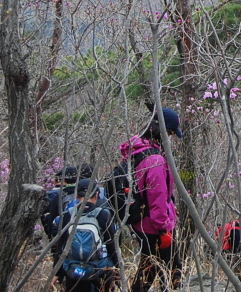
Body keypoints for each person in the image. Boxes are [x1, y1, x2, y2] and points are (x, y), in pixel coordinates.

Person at [118, 107, 183, 292]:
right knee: (171, 269)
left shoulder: (137, 151)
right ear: (161, 132)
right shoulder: (155, 160)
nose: (170, 138)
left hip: (142, 222)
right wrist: (164, 229)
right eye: (170, 133)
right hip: (154, 225)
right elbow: (158, 197)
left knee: (150, 267)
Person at [55, 178, 120, 292]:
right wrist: (118, 268)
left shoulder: (68, 215)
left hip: (73, 271)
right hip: (99, 270)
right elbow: (112, 245)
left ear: (76, 196)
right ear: (96, 194)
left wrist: (57, 273)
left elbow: (61, 247)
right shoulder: (103, 214)